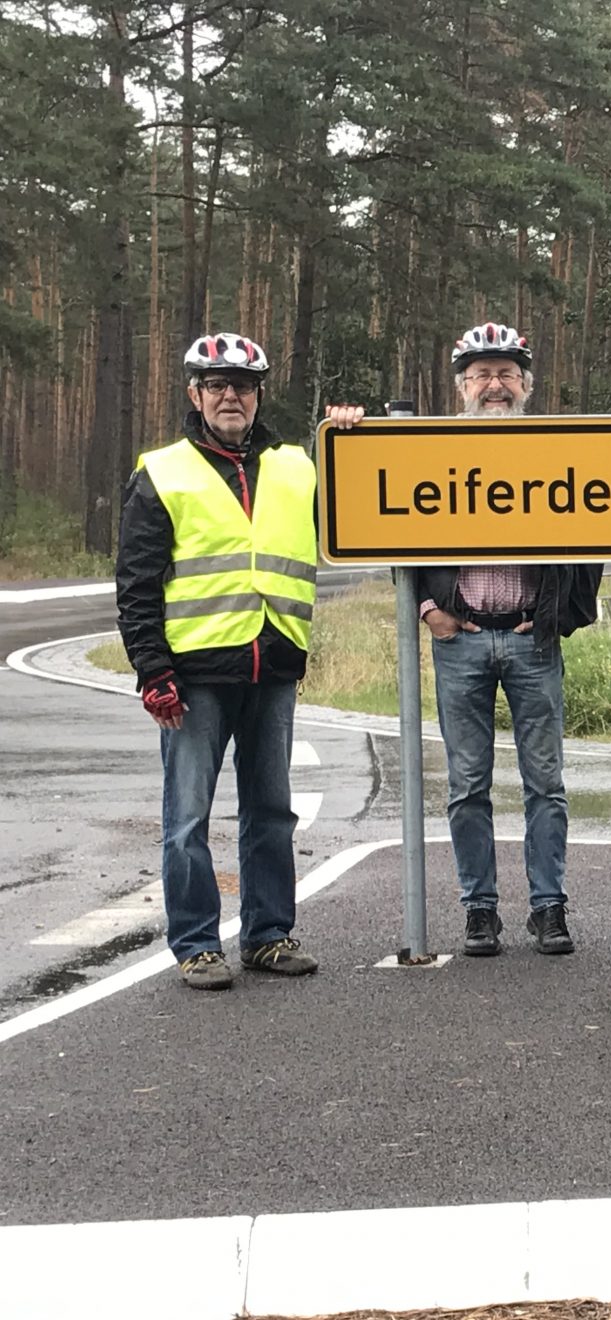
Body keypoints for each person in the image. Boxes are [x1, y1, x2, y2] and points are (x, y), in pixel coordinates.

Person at [325, 322, 602, 958]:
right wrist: (428, 608)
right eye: (481, 375)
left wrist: (565, 616)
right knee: (467, 783)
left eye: (506, 373)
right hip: (461, 640)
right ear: (461, 387)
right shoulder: (431, 449)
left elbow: (597, 532)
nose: (494, 385)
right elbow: (387, 524)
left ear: (527, 385)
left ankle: (548, 908)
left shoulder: (559, 449)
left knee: (546, 783)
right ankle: (480, 911)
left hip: (534, 639)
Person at [117, 333, 319, 989]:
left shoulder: (296, 466)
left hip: (274, 665)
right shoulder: (163, 471)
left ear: (259, 394)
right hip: (194, 676)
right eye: (215, 384)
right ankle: (198, 944)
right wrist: (153, 673)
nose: (229, 395)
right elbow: (138, 584)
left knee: (271, 813)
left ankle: (267, 936)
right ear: (194, 394)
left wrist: (346, 432)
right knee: (187, 820)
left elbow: (362, 505)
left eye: (242, 384)